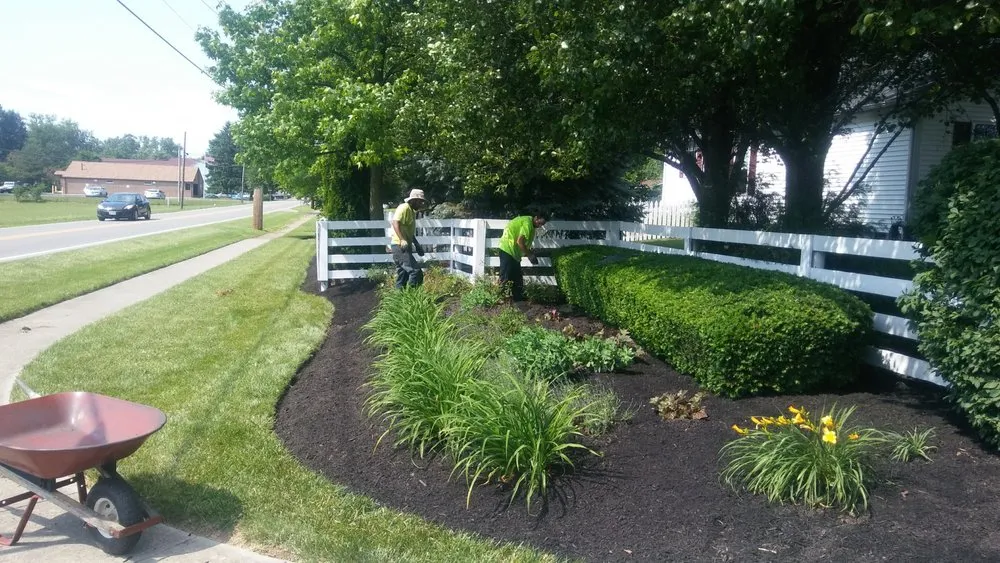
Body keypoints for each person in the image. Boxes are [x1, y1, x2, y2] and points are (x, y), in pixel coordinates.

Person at [497, 213, 548, 301]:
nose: (540, 226)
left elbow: (523, 243)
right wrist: (530, 255)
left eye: (542, 224)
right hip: (508, 249)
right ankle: (498, 299)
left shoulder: (528, 222)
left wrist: (529, 252)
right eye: (539, 223)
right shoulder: (527, 224)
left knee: (517, 278)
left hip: (513, 252)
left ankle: (518, 300)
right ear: (536, 217)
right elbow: (520, 242)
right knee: (505, 276)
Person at [390, 189, 426, 289]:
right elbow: (395, 222)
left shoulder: (411, 211)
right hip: (399, 246)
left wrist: (417, 245)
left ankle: (400, 296)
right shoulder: (404, 207)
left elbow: (409, 232)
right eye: (420, 201)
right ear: (413, 200)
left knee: (403, 274)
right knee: (415, 272)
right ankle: (412, 295)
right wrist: (402, 239)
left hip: (404, 246)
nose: (422, 204)